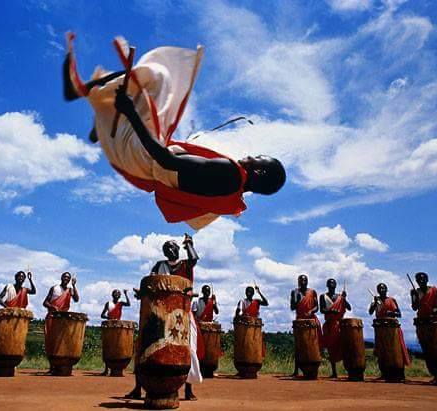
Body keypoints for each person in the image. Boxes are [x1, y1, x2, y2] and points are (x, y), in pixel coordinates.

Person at [63, 33, 286, 230]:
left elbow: (166, 160)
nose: (250, 156)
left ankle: (87, 93)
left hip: (144, 156)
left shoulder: (230, 173)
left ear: (259, 172)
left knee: (157, 75)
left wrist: (130, 112)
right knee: (150, 93)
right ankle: (103, 119)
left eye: (257, 158)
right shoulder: (228, 196)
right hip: (139, 165)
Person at [126, 234, 201, 401]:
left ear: (178, 249)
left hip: (181, 314)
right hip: (157, 315)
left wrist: (189, 244)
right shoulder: (159, 265)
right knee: (144, 348)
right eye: (166, 248)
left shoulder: (185, 264)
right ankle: (137, 388)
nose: (169, 250)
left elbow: (194, 259)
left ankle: (188, 389)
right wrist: (143, 292)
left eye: (172, 247)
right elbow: (150, 281)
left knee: (189, 349)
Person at [368, 283, 411, 376]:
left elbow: (399, 314)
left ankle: (400, 372)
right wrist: (374, 303)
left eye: (383, 288)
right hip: (380, 329)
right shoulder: (376, 301)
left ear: (386, 289)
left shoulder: (392, 300)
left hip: (392, 329)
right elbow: (370, 312)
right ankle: (384, 373)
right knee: (382, 350)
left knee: (397, 349)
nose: (381, 290)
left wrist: (391, 313)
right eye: (379, 289)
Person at [290, 274, 321, 378]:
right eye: (301, 280)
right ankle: (296, 370)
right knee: (298, 346)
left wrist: (311, 311)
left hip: (311, 321)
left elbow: (317, 307)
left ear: (307, 281)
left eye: (304, 280)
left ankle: (314, 369)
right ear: (298, 282)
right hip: (300, 321)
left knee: (314, 344)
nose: (303, 282)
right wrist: (298, 300)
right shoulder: (294, 292)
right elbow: (292, 307)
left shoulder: (312, 292)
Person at [320, 279, 351, 379]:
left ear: (336, 285)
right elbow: (322, 310)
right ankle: (334, 372)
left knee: (343, 347)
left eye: (333, 283)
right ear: (327, 285)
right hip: (329, 325)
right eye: (329, 283)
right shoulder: (323, 296)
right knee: (331, 348)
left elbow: (349, 307)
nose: (331, 284)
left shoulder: (340, 297)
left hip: (339, 324)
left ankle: (349, 371)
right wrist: (331, 311)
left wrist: (344, 299)